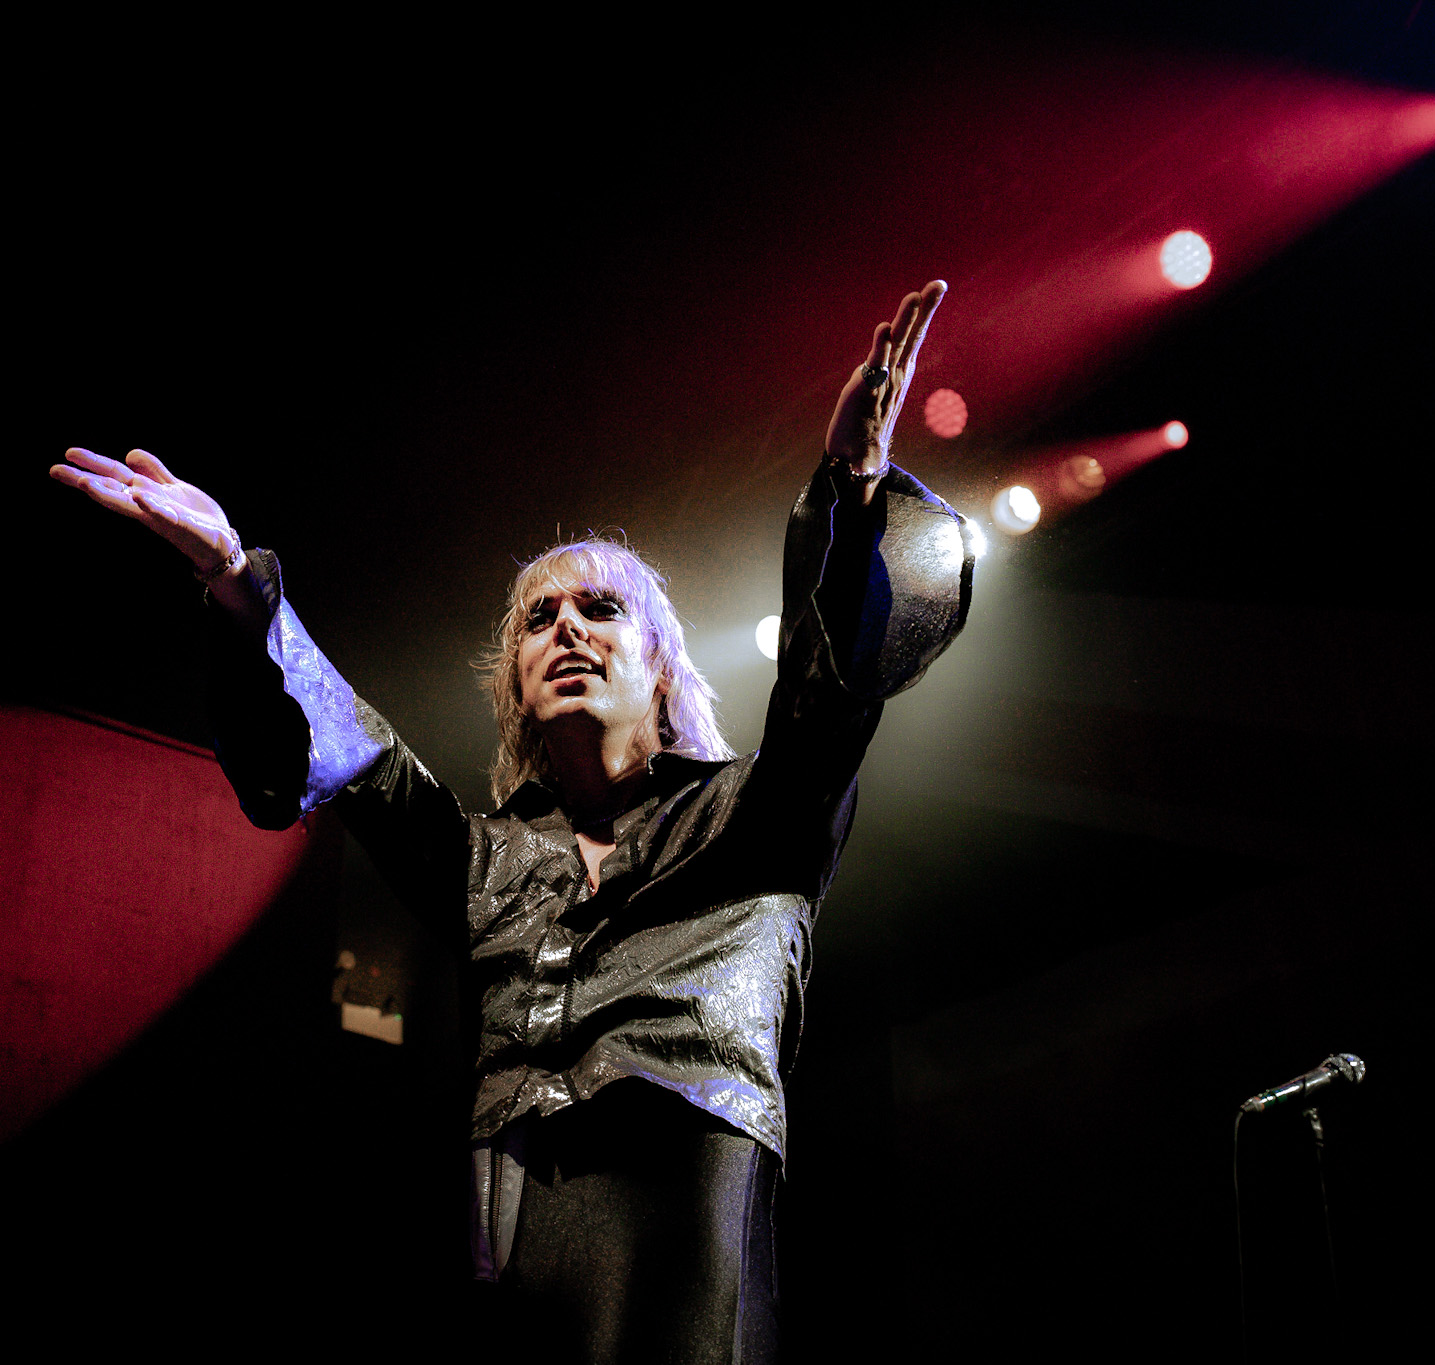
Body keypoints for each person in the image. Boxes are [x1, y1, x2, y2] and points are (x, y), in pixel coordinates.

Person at [49, 282, 970, 1363]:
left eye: (600, 609)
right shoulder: (484, 858)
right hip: (513, 1242)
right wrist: (232, 577)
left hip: (681, 1241)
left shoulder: (757, 818)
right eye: (540, 618)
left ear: (661, 665)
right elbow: (352, 748)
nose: (566, 628)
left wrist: (851, 480)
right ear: (515, 683)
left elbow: (827, 688)